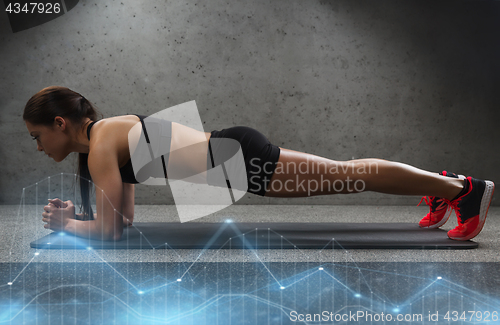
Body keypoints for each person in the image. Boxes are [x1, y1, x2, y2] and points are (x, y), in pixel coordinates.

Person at [23, 86, 495, 242]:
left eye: (37, 136)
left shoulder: (104, 140)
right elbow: (121, 222)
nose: (38, 146)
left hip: (241, 162)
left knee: (350, 175)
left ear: (61, 123)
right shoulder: (99, 149)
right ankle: (445, 185)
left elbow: (107, 233)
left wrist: (67, 226)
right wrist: (80, 218)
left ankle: (463, 190)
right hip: (235, 159)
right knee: (347, 173)